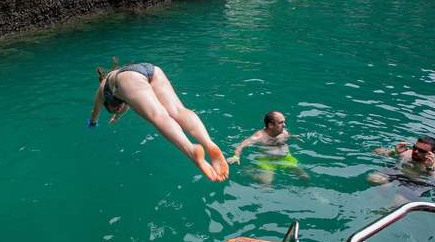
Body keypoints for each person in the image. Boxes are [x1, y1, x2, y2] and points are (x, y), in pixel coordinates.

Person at [89, 59, 229, 182]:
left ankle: (191, 151)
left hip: (129, 78)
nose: (118, 109)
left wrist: (93, 123)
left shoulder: (102, 90)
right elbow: (125, 106)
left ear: (108, 103)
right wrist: (117, 116)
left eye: (114, 109)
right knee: (178, 110)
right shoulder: (122, 91)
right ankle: (208, 143)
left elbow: (95, 111)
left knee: (159, 116)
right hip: (150, 69)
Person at [226, 111, 309, 186]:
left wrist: (298, 139)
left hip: (286, 158)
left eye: (284, 122)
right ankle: (251, 173)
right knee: (266, 185)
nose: (284, 125)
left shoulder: (284, 133)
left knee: (306, 178)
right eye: (280, 123)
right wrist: (236, 157)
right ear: (270, 125)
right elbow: (240, 146)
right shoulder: (259, 136)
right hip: (267, 161)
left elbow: (290, 135)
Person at [366, 136, 435, 195]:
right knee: (372, 179)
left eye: (421, 151)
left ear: (432, 153)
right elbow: (375, 152)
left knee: (397, 202)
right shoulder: (406, 153)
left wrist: (429, 170)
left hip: (416, 182)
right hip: (400, 173)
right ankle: (383, 194)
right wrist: (393, 151)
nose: (416, 152)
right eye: (415, 148)